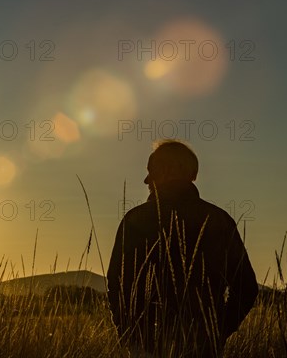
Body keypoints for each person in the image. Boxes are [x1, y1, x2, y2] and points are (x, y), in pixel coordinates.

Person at [107, 140, 258, 357]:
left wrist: (131, 337)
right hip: (204, 349)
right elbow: (246, 288)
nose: (146, 180)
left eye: (152, 171)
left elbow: (117, 285)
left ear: (168, 170)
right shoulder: (218, 220)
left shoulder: (136, 220)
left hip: (146, 348)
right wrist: (216, 332)